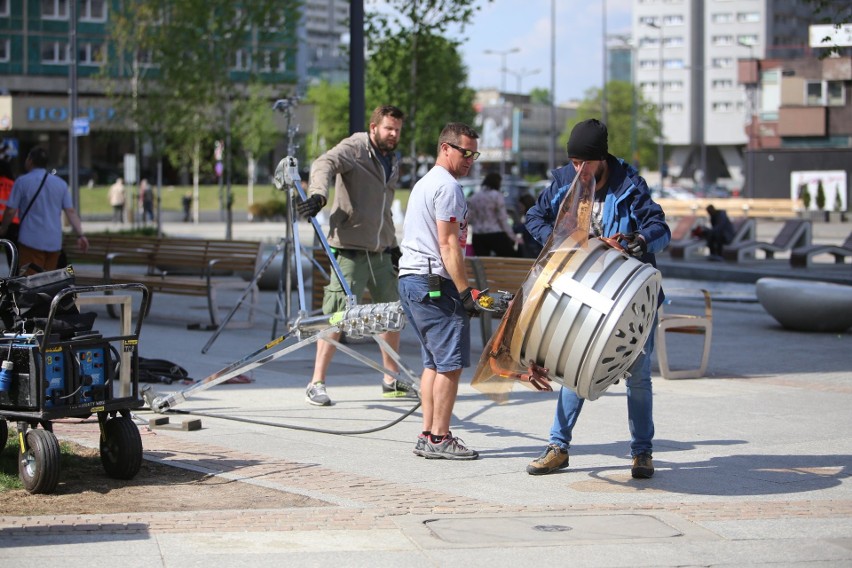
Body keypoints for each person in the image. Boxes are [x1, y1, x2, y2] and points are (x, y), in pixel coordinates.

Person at [524, 118, 670, 478]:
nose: (579, 170)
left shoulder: (630, 184)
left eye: (585, 163)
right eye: (574, 162)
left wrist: (637, 241)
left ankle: (642, 453)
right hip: (584, 292)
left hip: (632, 297)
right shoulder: (563, 181)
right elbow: (533, 218)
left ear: (602, 158)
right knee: (575, 367)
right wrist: (563, 241)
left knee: (638, 374)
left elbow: (660, 229)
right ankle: (558, 447)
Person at [297, 104, 411, 406]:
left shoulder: (391, 158)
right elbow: (324, 162)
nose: (393, 134)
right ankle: (316, 382)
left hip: (381, 250)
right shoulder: (356, 147)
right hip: (349, 249)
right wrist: (319, 194)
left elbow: (384, 207)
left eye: (397, 129)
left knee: (391, 316)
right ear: (374, 127)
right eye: (388, 128)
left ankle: (391, 380)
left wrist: (393, 242)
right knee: (336, 316)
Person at [397, 122, 482, 460]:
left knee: (433, 362)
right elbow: (448, 245)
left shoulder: (424, 183)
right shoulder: (447, 187)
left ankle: (428, 434)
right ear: (446, 148)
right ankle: (439, 438)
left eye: (474, 154)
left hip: (413, 280)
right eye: (465, 152)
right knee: (450, 363)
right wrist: (466, 293)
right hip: (434, 282)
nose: (470, 160)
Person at [0, 147, 89, 274]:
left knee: (30, 281)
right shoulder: (61, 184)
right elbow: (71, 212)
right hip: (54, 242)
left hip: (30, 240)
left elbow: (10, 210)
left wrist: (3, 228)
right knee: (48, 281)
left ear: (30, 161)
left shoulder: (22, 182)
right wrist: (81, 235)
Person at [467, 172, 522, 257]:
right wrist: (513, 237)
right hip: (495, 233)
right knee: (511, 258)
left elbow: (469, 217)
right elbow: (502, 219)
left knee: (483, 264)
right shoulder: (496, 195)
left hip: (477, 235)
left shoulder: (475, 196)